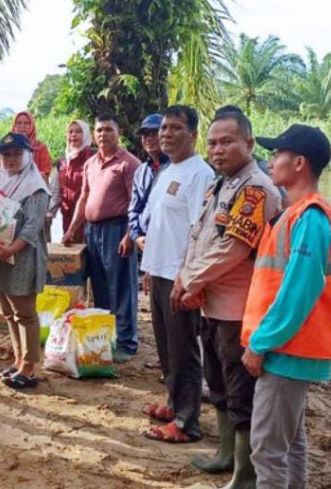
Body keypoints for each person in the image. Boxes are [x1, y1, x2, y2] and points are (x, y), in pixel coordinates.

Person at [177, 108, 282, 487]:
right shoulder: (219, 185)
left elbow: (234, 250)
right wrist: (189, 279)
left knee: (241, 393)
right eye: (212, 143)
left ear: (248, 143)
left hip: (239, 310)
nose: (218, 150)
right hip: (211, 303)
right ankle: (225, 454)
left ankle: (245, 474)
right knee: (217, 383)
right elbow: (199, 238)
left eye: (227, 141)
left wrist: (188, 279)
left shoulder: (256, 188)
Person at [240, 124, 331, 489]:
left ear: (299, 162)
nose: (270, 161)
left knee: (267, 450)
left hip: (287, 348)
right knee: (290, 443)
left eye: (277, 154)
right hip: (289, 348)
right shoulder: (295, 213)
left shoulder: (311, 218)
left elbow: (298, 292)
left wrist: (260, 343)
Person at [134, 106, 213, 445]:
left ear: (193, 134)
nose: (165, 133)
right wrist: (150, 268)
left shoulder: (200, 174)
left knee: (183, 350)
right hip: (160, 270)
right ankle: (174, 403)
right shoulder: (167, 170)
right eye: (164, 127)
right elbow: (159, 224)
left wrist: (188, 277)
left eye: (175, 128)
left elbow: (199, 230)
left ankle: (187, 421)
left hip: (181, 276)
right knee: (166, 347)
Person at [63, 113, 141, 362]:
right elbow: (83, 199)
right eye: (98, 130)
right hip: (92, 232)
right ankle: (105, 339)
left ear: (118, 133)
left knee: (122, 288)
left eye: (108, 130)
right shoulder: (91, 163)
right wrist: (72, 228)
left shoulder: (128, 163)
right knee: (99, 289)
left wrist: (130, 235)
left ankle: (127, 342)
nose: (102, 135)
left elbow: (136, 204)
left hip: (117, 230)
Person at [0, 132, 50, 390]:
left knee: (25, 313)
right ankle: (18, 359)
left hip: (22, 256)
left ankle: (30, 367)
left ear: (28, 155)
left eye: (16, 154)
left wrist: (12, 249)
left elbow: (32, 226)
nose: (10, 159)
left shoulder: (35, 186)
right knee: (8, 313)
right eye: (6, 155)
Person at [47, 119, 95, 243]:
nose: (73, 135)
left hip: (91, 219)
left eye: (78, 132)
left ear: (86, 134)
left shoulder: (95, 157)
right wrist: (49, 214)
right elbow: (56, 193)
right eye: (70, 132)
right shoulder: (61, 162)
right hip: (68, 218)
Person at [128, 113, 168, 251]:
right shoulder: (141, 172)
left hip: (168, 242)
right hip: (144, 243)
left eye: (154, 133)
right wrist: (136, 236)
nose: (149, 138)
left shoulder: (176, 168)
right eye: (145, 134)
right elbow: (134, 208)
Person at [11, 111, 53, 180]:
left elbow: (45, 172)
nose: (22, 126)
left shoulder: (40, 147)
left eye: (26, 123)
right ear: (14, 126)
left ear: (32, 126)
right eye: (19, 123)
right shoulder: (7, 147)